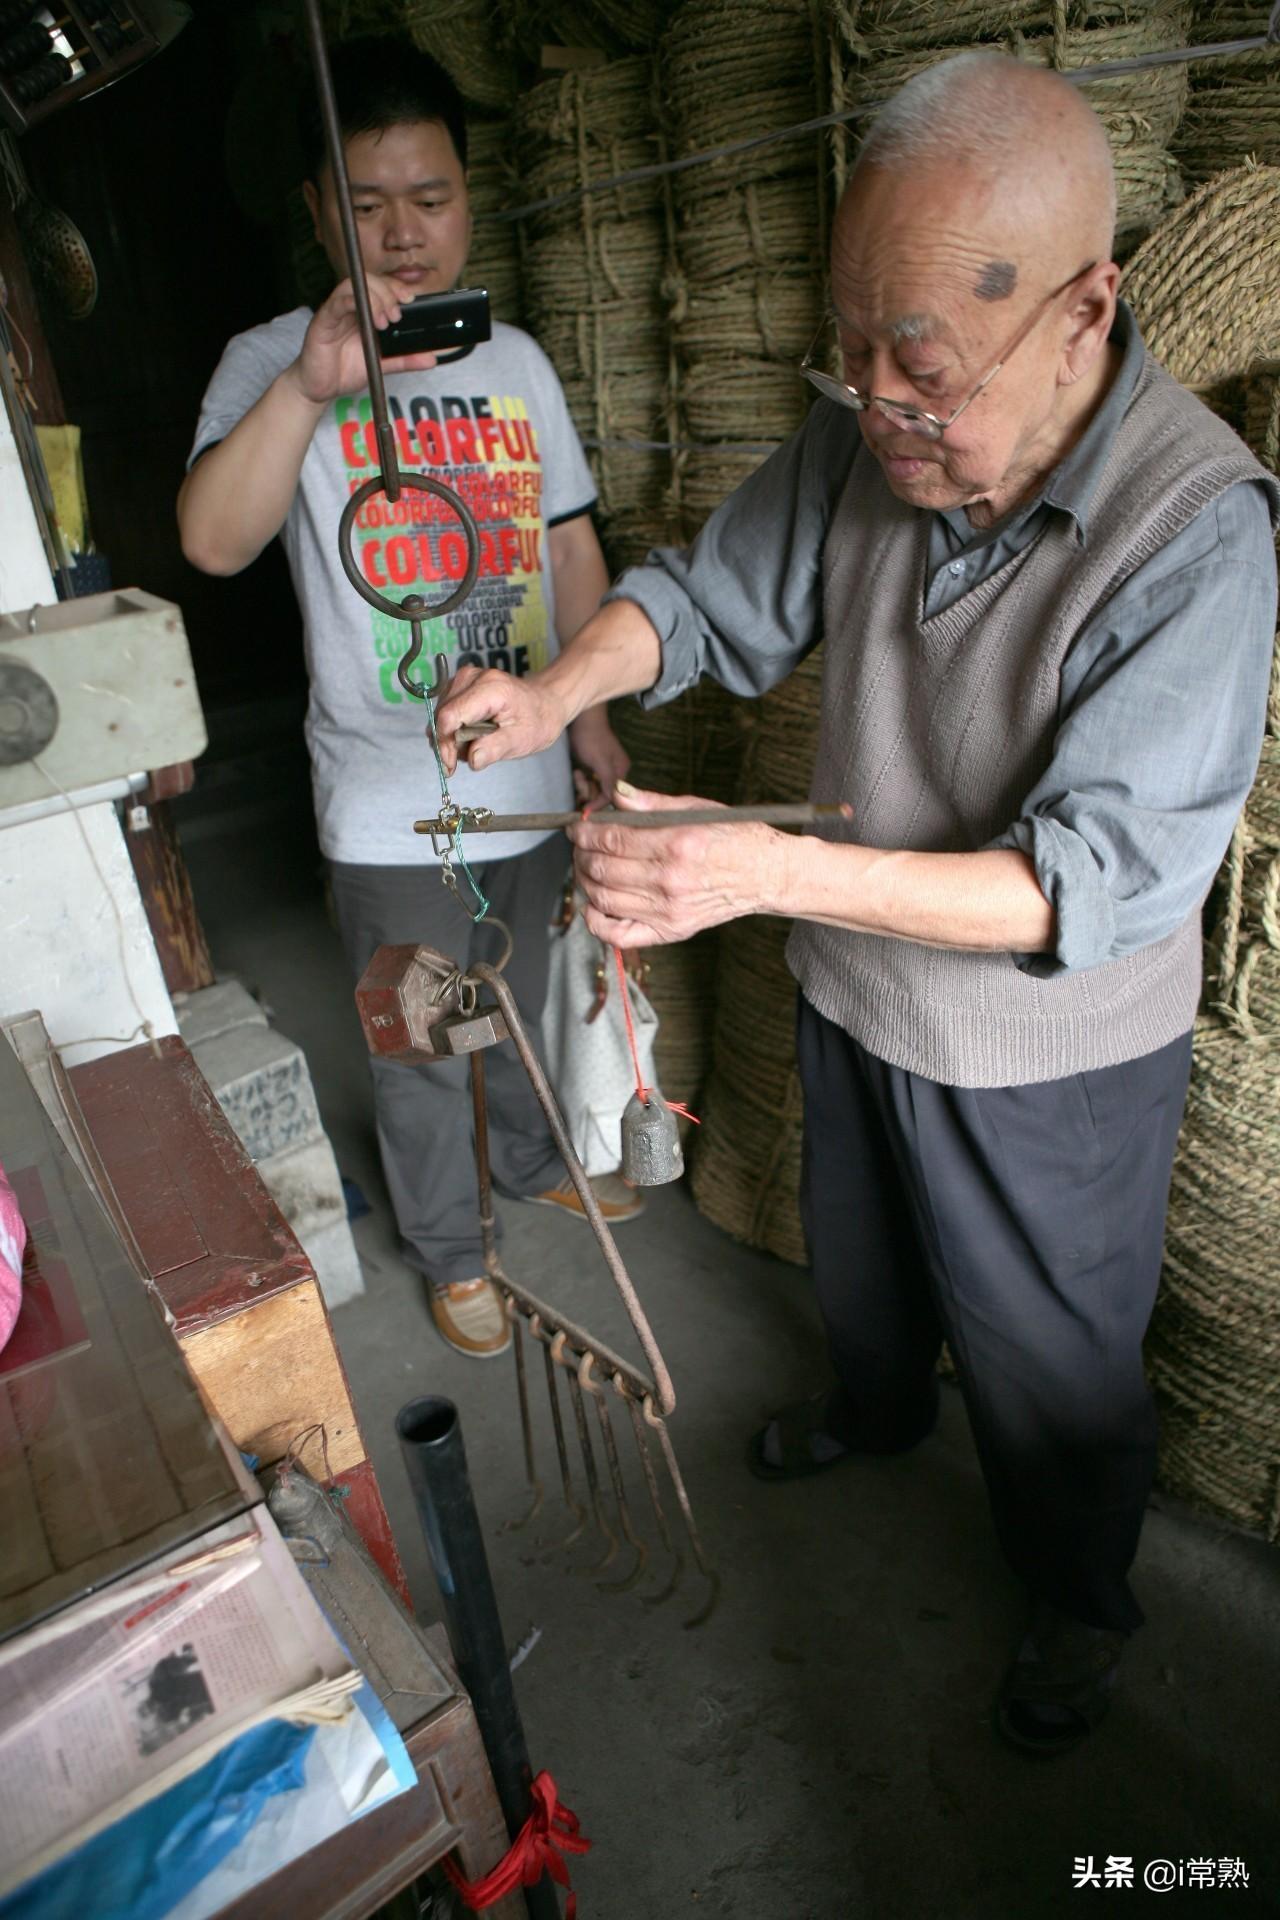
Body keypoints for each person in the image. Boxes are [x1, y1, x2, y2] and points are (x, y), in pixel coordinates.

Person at [436, 53, 1280, 1749]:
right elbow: (701, 599)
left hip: (1046, 1046)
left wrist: (750, 871)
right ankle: (881, 1410)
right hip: (856, 986)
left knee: (1051, 1362)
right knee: (872, 1262)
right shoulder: (864, 432)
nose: (877, 399)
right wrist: (551, 693)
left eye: (924, 369)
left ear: (1084, 307)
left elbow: (1086, 884)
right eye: (855, 348)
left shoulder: (1198, 529)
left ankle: (1077, 1594)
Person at [178, 38, 638, 1363]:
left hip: (533, 776)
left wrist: (595, 720)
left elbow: (566, 546)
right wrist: (316, 388)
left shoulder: (520, 364)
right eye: (369, 205)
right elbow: (212, 540)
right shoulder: (274, 361)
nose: (403, 235)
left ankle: (535, 1157)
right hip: (392, 804)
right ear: (320, 208)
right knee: (423, 1037)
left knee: (530, 999)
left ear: (469, 196)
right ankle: (453, 1249)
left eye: (430, 200)